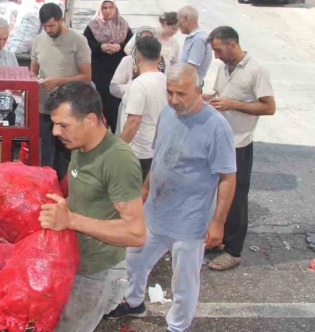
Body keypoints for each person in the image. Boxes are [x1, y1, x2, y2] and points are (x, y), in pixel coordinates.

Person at [106, 64, 237, 332]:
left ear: (198, 91)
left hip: (190, 221)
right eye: (170, 93)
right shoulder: (167, 113)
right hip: (156, 212)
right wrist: (144, 192)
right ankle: (133, 302)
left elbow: (227, 178)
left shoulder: (217, 127)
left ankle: (177, 326)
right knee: (135, 260)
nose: (174, 100)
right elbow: (161, 157)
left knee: (184, 281)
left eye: (181, 94)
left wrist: (218, 223)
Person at [38, 82, 146, 332]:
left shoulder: (117, 160)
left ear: (89, 119)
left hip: (94, 273)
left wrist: (71, 220)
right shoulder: (80, 146)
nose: (55, 131)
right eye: (54, 123)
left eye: (63, 124)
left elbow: (136, 233)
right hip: (74, 262)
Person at [205, 26, 276, 272]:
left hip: (239, 143)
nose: (216, 56)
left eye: (218, 50)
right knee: (218, 196)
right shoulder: (225, 68)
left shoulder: (256, 70)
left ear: (232, 44)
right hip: (219, 140)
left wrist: (233, 104)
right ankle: (217, 239)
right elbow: (219, 94)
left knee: (236, 198)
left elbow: (269, 107)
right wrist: (208, 98)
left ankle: (233, 250)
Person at [30, 3, 92, 176]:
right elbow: (33, 69)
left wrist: (58, 81)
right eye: (45, 27)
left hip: (68, 109)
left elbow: (86, 77)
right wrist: (32, 78)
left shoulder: (78, 41)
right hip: (44, 108)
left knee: (65, 155)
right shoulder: (38, 41)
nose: (48, 30)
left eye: (52, 26)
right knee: (44, 154)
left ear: (61, 20)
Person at [117, 36, 168, 180]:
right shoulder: (165, 80)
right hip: (158, 149)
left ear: (137, 57)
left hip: (139, 153)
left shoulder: (139, 85)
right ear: (159, 58)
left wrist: (119, 148)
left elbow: (133, 121)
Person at [83, 0, 133, 133]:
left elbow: (132, 46)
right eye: (104, 8)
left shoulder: (123, 25)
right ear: (100, 9)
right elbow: (86, 46)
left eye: (111, 8)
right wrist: (101, 47)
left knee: (115, 102)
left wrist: (119, 47)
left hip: (118, 69)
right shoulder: (93, 26)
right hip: (99, 70)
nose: (108, 11)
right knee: (100, 99)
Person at [111, 26, 169, 102]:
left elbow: (169, 87)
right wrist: (136, 88)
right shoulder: (128, 60)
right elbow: (114, 87)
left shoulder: (164, 62)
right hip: (131, 103)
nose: (146, 41)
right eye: (143, 38)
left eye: (149, 38)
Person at [177, 5, 211, 86]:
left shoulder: (198, 39)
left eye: (179, 20)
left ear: (186, 19)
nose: (178, 24)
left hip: (190, 87)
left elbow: (191, 70)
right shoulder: (194, 38)